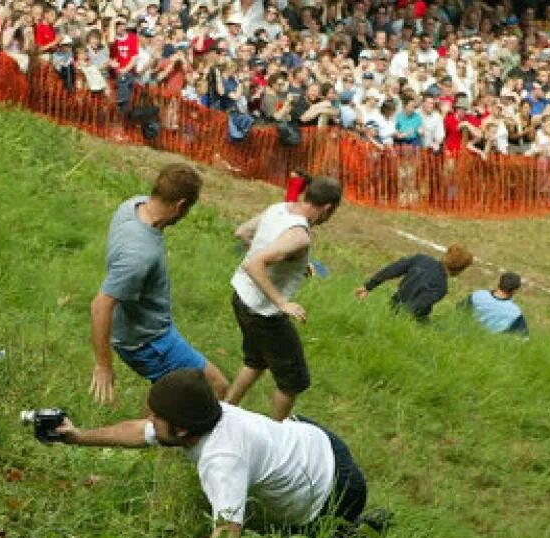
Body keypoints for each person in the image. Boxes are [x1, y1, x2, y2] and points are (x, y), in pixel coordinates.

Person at [57, 369, 374, 538]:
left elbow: (226, 536)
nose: (149, 421)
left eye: (157, 417)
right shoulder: (202, 413)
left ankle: (356, 530)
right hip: (315, 440)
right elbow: (138, 431)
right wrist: (76, 436)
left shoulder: (222, 460)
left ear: (181, 431)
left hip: (336, 489)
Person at [89, 163, 229, 405]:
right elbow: (101, 305)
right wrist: (103, 365)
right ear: (181, 205)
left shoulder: (133, 205)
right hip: (147, 341)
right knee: (216, 387)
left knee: (170, 389)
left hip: (149, 328)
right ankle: (153, 435)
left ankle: (154, 430)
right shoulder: (140, 255)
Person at [226, 176, 343, 420]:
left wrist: (293, 266)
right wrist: (282, 303)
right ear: (328, 209)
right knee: (293, 381)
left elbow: (243, 232)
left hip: (240, 296)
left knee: (256, 361)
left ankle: (225, 411)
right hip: (263, 312)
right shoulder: (299, 236)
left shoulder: (279, 208)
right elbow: (255, 263)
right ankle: (276, 435)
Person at [354, 245, 474, 321]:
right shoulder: (441, 287)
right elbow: (414, 309)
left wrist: (368, 287)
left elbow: (392, 270)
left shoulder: (421, 259)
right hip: (407, 319)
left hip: (393, 304)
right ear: (461, 269)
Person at [462, 272, 529, 335]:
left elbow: (458, 312)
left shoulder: (478, 295)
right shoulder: (515, 312)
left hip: (466, 334)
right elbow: (523, 338)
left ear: (499, 283)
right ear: (514, 291)